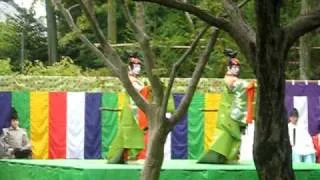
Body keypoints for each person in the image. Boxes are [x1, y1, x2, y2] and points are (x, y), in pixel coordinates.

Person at [198, 49, 255, 164]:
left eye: (238, 68)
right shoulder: (229, 79)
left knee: (233, 136)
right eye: (234, 67)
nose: (236, 69)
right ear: (228, 68)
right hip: (229, 113)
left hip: (229, 111)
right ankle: (226, 157)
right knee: (228, 135)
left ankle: (229, 157)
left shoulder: (233, 79)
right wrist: (251, 85)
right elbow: (242, 86)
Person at [106, 54, 146, 164]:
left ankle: (127, 156)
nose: (138, 68)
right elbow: (137, 90)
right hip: (130, 108)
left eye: (139, 66)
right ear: (130, 67)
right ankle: (119, 156)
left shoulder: (138, 80)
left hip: (137, 107)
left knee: (134, 132)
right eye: (135, 66)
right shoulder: (129, 78)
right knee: (127, 133)